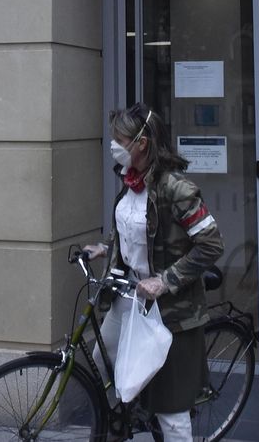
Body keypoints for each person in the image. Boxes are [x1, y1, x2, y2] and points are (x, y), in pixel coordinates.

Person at [85, 104, 223, 442]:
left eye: (120, 140)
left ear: (142, 143)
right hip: (128, 299)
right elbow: (135, 229)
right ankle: (122, 422)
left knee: (171, 410)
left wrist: (165, 281)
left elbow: (211, 245)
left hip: (169, 311)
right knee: (102, 363)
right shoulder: (130, 180)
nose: (114, 146)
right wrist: (107, 248)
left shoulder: (177, 189)